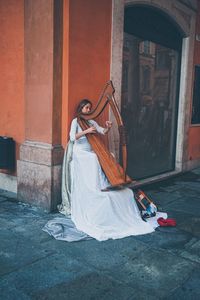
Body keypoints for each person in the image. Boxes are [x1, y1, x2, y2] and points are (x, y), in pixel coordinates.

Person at [56, 98, 166, 241]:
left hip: (91, 150)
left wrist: (107, 127)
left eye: (90, 108)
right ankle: (95, 186)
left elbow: (102, 131)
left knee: (110, 155)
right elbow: (72, 138)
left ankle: (109, 182)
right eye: (86, 108)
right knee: (94, 159)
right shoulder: (76, 122)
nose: (88, 110)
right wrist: (86, 131)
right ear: (80, 109)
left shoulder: (91, 121)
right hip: (80, 151)